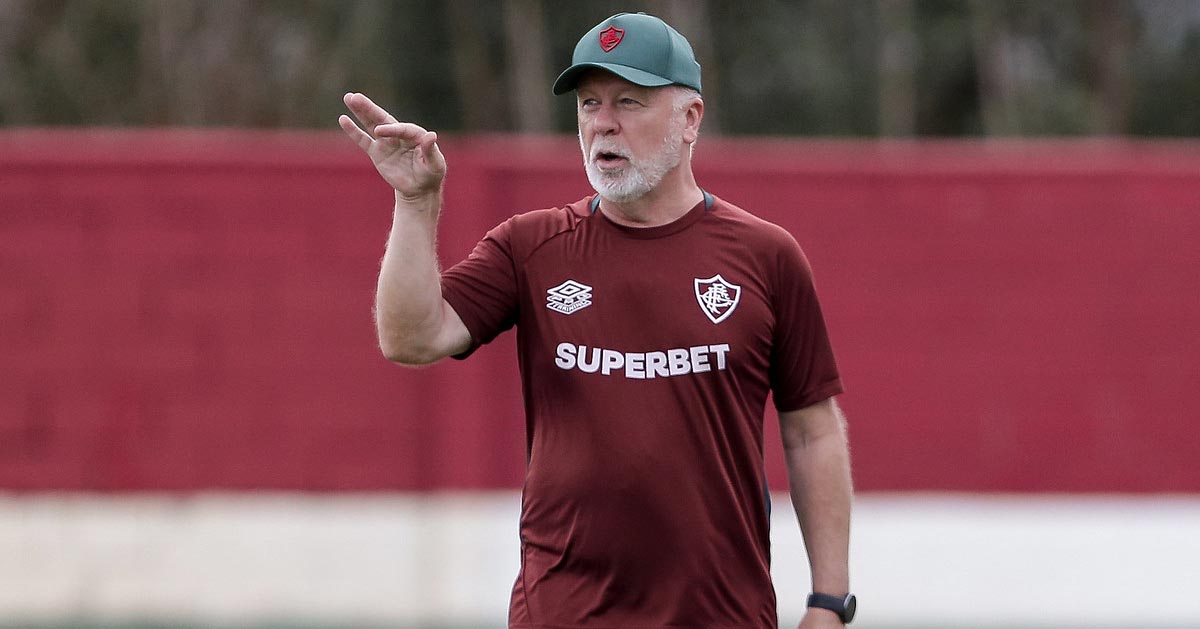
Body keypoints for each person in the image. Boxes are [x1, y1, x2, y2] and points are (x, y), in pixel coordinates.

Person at [339, 12, 855, 629]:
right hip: (562, 614)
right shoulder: (533, 246)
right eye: (589, 104)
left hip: (722, 615)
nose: (602, 122)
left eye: (629, 102)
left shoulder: (767, 256)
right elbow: (412, 337)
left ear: (690, 119)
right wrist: (416, 201)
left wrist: (830, 600)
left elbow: (812, 431)